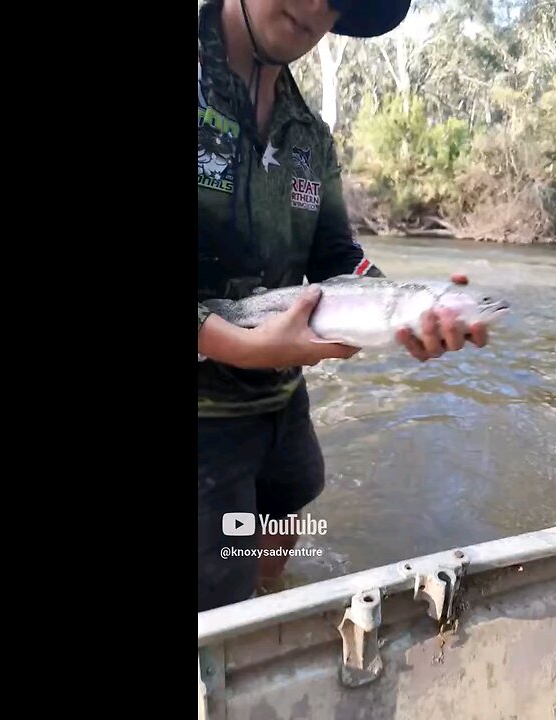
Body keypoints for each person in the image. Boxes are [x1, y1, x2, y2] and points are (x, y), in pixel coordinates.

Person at [197, 0, 491, 612]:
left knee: (285, 507)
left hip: (281, 405)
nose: (315, 6)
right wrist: (235, 343)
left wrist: (405, 307)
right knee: (215, 593)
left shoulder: (309, 137)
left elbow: (339, 256)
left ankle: (264, 603)